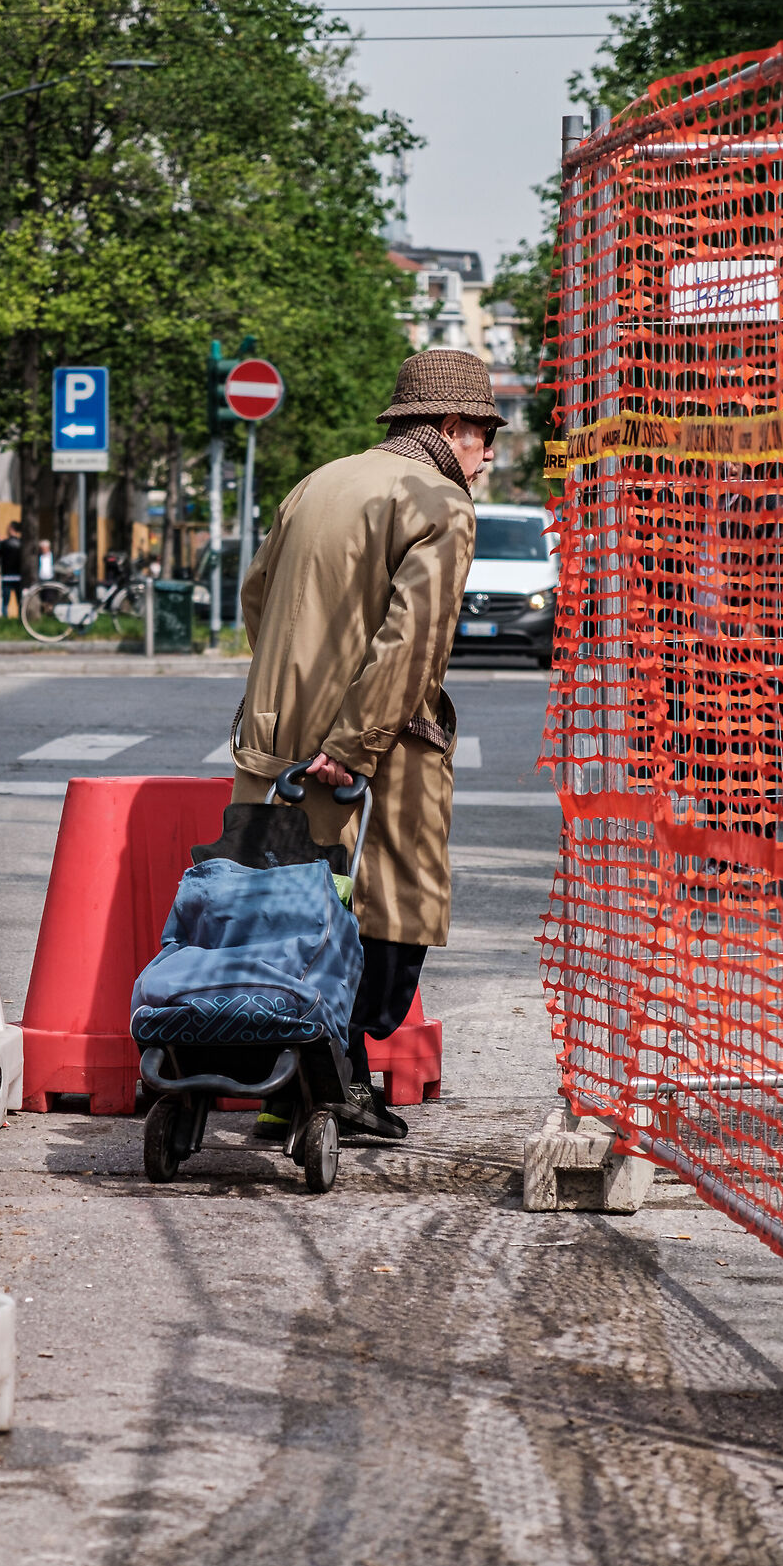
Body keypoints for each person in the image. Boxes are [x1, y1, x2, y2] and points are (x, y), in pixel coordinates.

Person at [233, 347, 501, 1141]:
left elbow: (258, 599)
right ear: (450, 427)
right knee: (388, 927)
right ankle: (335, 1088)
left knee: (288, 922)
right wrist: (351, 744)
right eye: (485, 436)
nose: (488, 458)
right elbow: (412, 643)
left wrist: (291, 704)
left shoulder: (317, 481)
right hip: (371, 757)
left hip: (277, 746)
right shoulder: (439, 502)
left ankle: (300, 1087)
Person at [0, 530, 23, 617]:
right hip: (18, 576)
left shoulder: (4, 544)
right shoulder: (21, 543)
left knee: (5, 601)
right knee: (19, 601)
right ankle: (21, 618)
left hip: (6, 576)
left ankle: (5, 618)